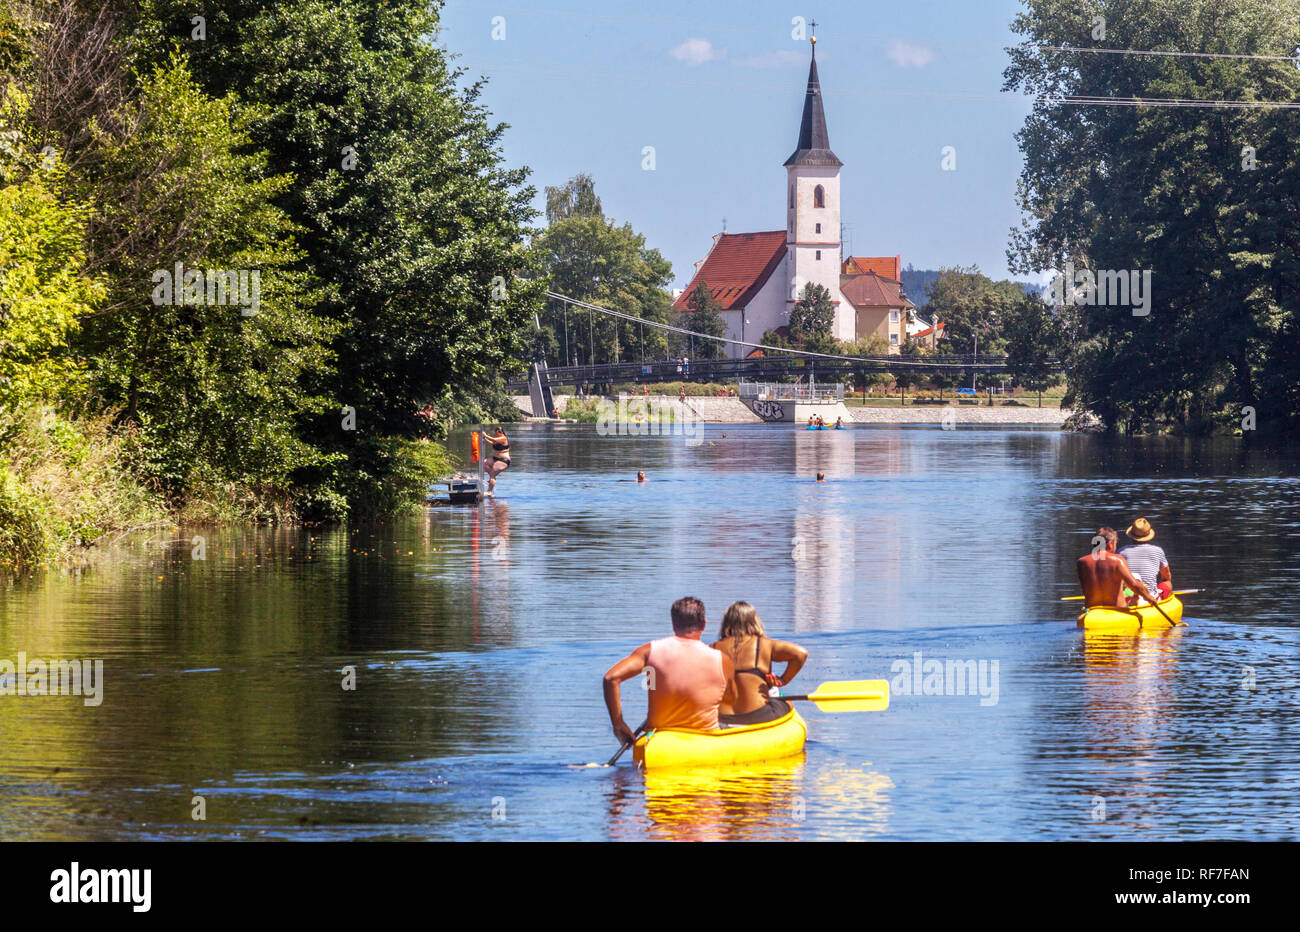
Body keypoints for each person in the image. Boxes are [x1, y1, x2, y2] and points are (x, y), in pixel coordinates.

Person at [602, 597, 736, 745]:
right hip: (705, 739)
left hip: (658, 742)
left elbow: (611, 678)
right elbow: (731, 703)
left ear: (673, 624)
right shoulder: (722, 660)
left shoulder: (649, 651)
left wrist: (618, 724)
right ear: (704, 624)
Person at [710, 602, 807, 726]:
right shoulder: (765, 644)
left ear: (726, 623)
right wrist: (783, 680)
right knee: (786, 700)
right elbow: (801, 654)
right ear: (755, 621)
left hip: (722, 717)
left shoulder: (712, 648)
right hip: (758, 716)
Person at [1077, 526, 1157, 608]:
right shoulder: (1117, 560)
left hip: (1092, 610)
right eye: (1116, 542)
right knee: (1140, 586)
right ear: (1110, 544)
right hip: (1117, 610)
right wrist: (1149, 597)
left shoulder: (1082, 562)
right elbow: (1134, 585)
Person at [1118, 517, 1173, 605]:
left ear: (1132, 535)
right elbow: (1166, 576)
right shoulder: (1158, 551)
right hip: (1149, 597)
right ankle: (1164, 602)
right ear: (1148, 535)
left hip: (1126, 595)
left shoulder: (1120, 552)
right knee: (1167, 583)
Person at [483, 426, 510, 493]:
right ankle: (492, 478)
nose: (495, 435)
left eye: (496, 433)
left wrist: (485, 435)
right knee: (483, 463)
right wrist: (485, 438)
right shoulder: (498, 438)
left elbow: (494, 440)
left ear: (499, 432)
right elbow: (492, 442)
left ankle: (489, 491)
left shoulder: (504, 438)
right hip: (495, 459)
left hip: (503, 460)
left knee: (492, 474)